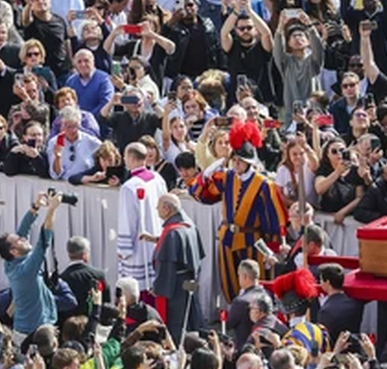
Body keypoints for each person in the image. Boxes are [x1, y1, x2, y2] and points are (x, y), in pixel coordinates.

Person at [197, 121, 287, 302]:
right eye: (235, 160)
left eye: (241, 161)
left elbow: (274, 217)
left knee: (255, 286)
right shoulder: (228, 177)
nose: (236, 164)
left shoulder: (263, 184)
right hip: (227, 237)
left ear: (249, 163)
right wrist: (213, 167)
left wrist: (274, 246)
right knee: (230, 284)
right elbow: (203, 193)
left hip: (252, 240)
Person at [0, 190, 61, 340]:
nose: (24, 239)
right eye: (20, 240)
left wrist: (36, 206)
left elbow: (23, 230)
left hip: (29, 327)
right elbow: (44, 242)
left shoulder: (11, 261)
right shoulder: (24, 272)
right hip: (35, 332)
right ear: (13, 251)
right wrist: (51, 209)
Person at [143, 193, 204, 343]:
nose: (157, 210)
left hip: (174, 285)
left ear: (167, 209)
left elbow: (166, 265)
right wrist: (156, 239)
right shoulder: (189, 225)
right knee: (190, 319)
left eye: (158, 207)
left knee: (176, 324)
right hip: (189, 280)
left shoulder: (172, 233)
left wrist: (157, 288)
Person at [118, 142, 167, 292]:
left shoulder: (129, 186)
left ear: (132, 158)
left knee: (138, 290)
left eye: (125, 156)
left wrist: (124, 250)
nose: (124, 159)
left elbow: (127, 220)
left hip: (140, 245)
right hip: (158, 240)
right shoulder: (158, 179)